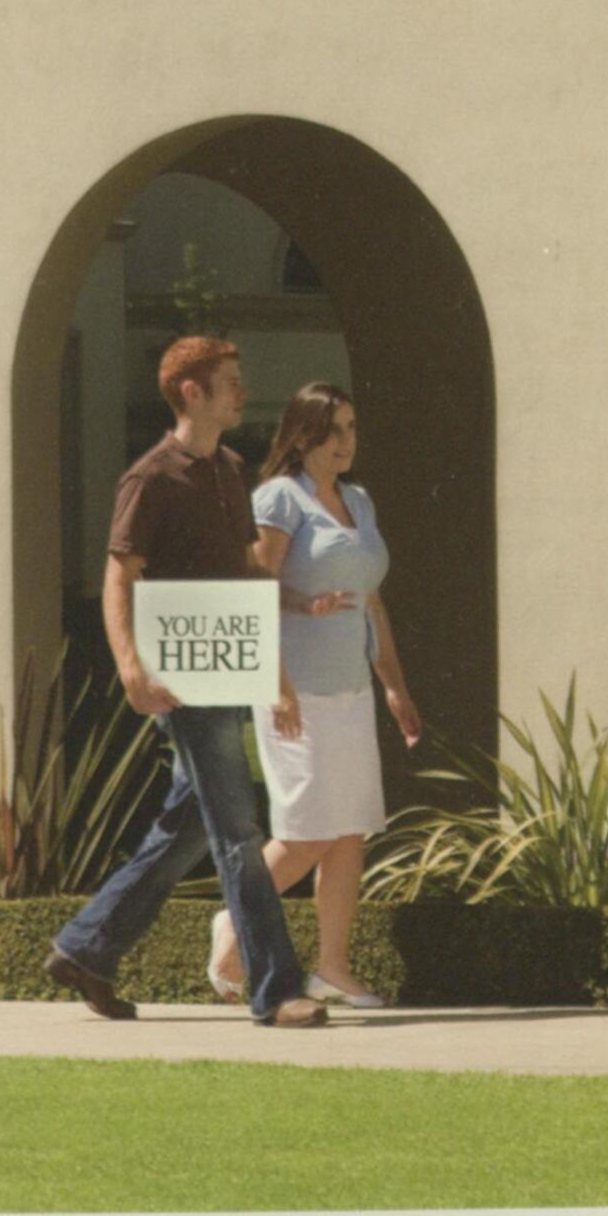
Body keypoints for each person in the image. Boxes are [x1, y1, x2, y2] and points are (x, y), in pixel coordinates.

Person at [45, 337, 328, 1029]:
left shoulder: (230, 470)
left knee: (190, 825)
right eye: (230, 381)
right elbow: (120, 576)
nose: (243, 391)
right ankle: (275, 990)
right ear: (192, 393)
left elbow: (244, 574)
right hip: (181, 682)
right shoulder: (149, 479)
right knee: (237, 828)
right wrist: (131, 668)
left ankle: (85, 948)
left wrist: (285, 643)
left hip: (230, 667)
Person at [207, 381, 424, 1011]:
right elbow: (254, 586)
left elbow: (372, 602)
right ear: (303, 437)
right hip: (294, 690)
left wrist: (394, 688)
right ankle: (232, 923)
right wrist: (278, 685)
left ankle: (331, 969)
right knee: (306, 834)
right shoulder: (281, 497)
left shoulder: (359, 501)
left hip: (352, 691)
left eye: (352, 428)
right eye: (334, 430)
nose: (345, 442)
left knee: (349, 830)